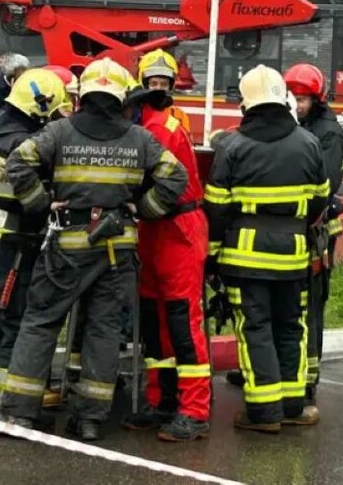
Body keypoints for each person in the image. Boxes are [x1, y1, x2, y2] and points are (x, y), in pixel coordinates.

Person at [0, 58, 187, 441]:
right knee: (103, 331)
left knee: (41, 322)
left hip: (66, 248)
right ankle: (90, 419)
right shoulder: (139, 138)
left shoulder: (59, 131)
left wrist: (40, 203)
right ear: (122, 98)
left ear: (83, 95)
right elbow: (175, 176)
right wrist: (144, 209)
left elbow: (17, 162)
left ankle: (20, 413)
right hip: (117, 251)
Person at [205, 65, 329, 434]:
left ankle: (263, 413)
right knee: (291, 326)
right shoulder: (308, 143)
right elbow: (320, 200)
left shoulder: (232, 147)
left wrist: (211, 256)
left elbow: (217, 208)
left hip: (244, 257)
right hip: (293, 254)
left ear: (246, 104)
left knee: (255, 329)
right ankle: (293, 406)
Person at [0, 68, 70, 418]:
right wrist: (49, 203)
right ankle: (9, 399)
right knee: (15, 319)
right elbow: (32, 201)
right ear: (40, 105)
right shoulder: (22, 144)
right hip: (15, 242)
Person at [121, 83, 211, 442]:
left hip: (177, 231)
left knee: (181, 322)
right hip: (158, 229)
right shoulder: (152, 124)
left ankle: (194, 410)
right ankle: (163, 400)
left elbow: (141, 180)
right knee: (155, 321)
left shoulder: (156, 130)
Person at [283, 63, 343, 420]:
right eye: (292, 97)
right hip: (288, 231)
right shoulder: (290, 125)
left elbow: (326, 184)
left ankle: (307, 383)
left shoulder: (329, 133)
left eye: (303, 98)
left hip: (316, 235)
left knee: (310, 311)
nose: (297, 104)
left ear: (316, 100)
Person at [136, 49, 193, 138]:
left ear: (171, 86)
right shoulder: (135, 114)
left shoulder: (178, 116)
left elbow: (186, 143)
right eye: (154, 84)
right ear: (144, 84)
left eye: (164, 84)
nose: (158, 88)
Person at [0, 54, 30, 123]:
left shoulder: (27, 87)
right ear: (11, 76)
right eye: (21, 76)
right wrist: (13, 97)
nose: (24, 79)